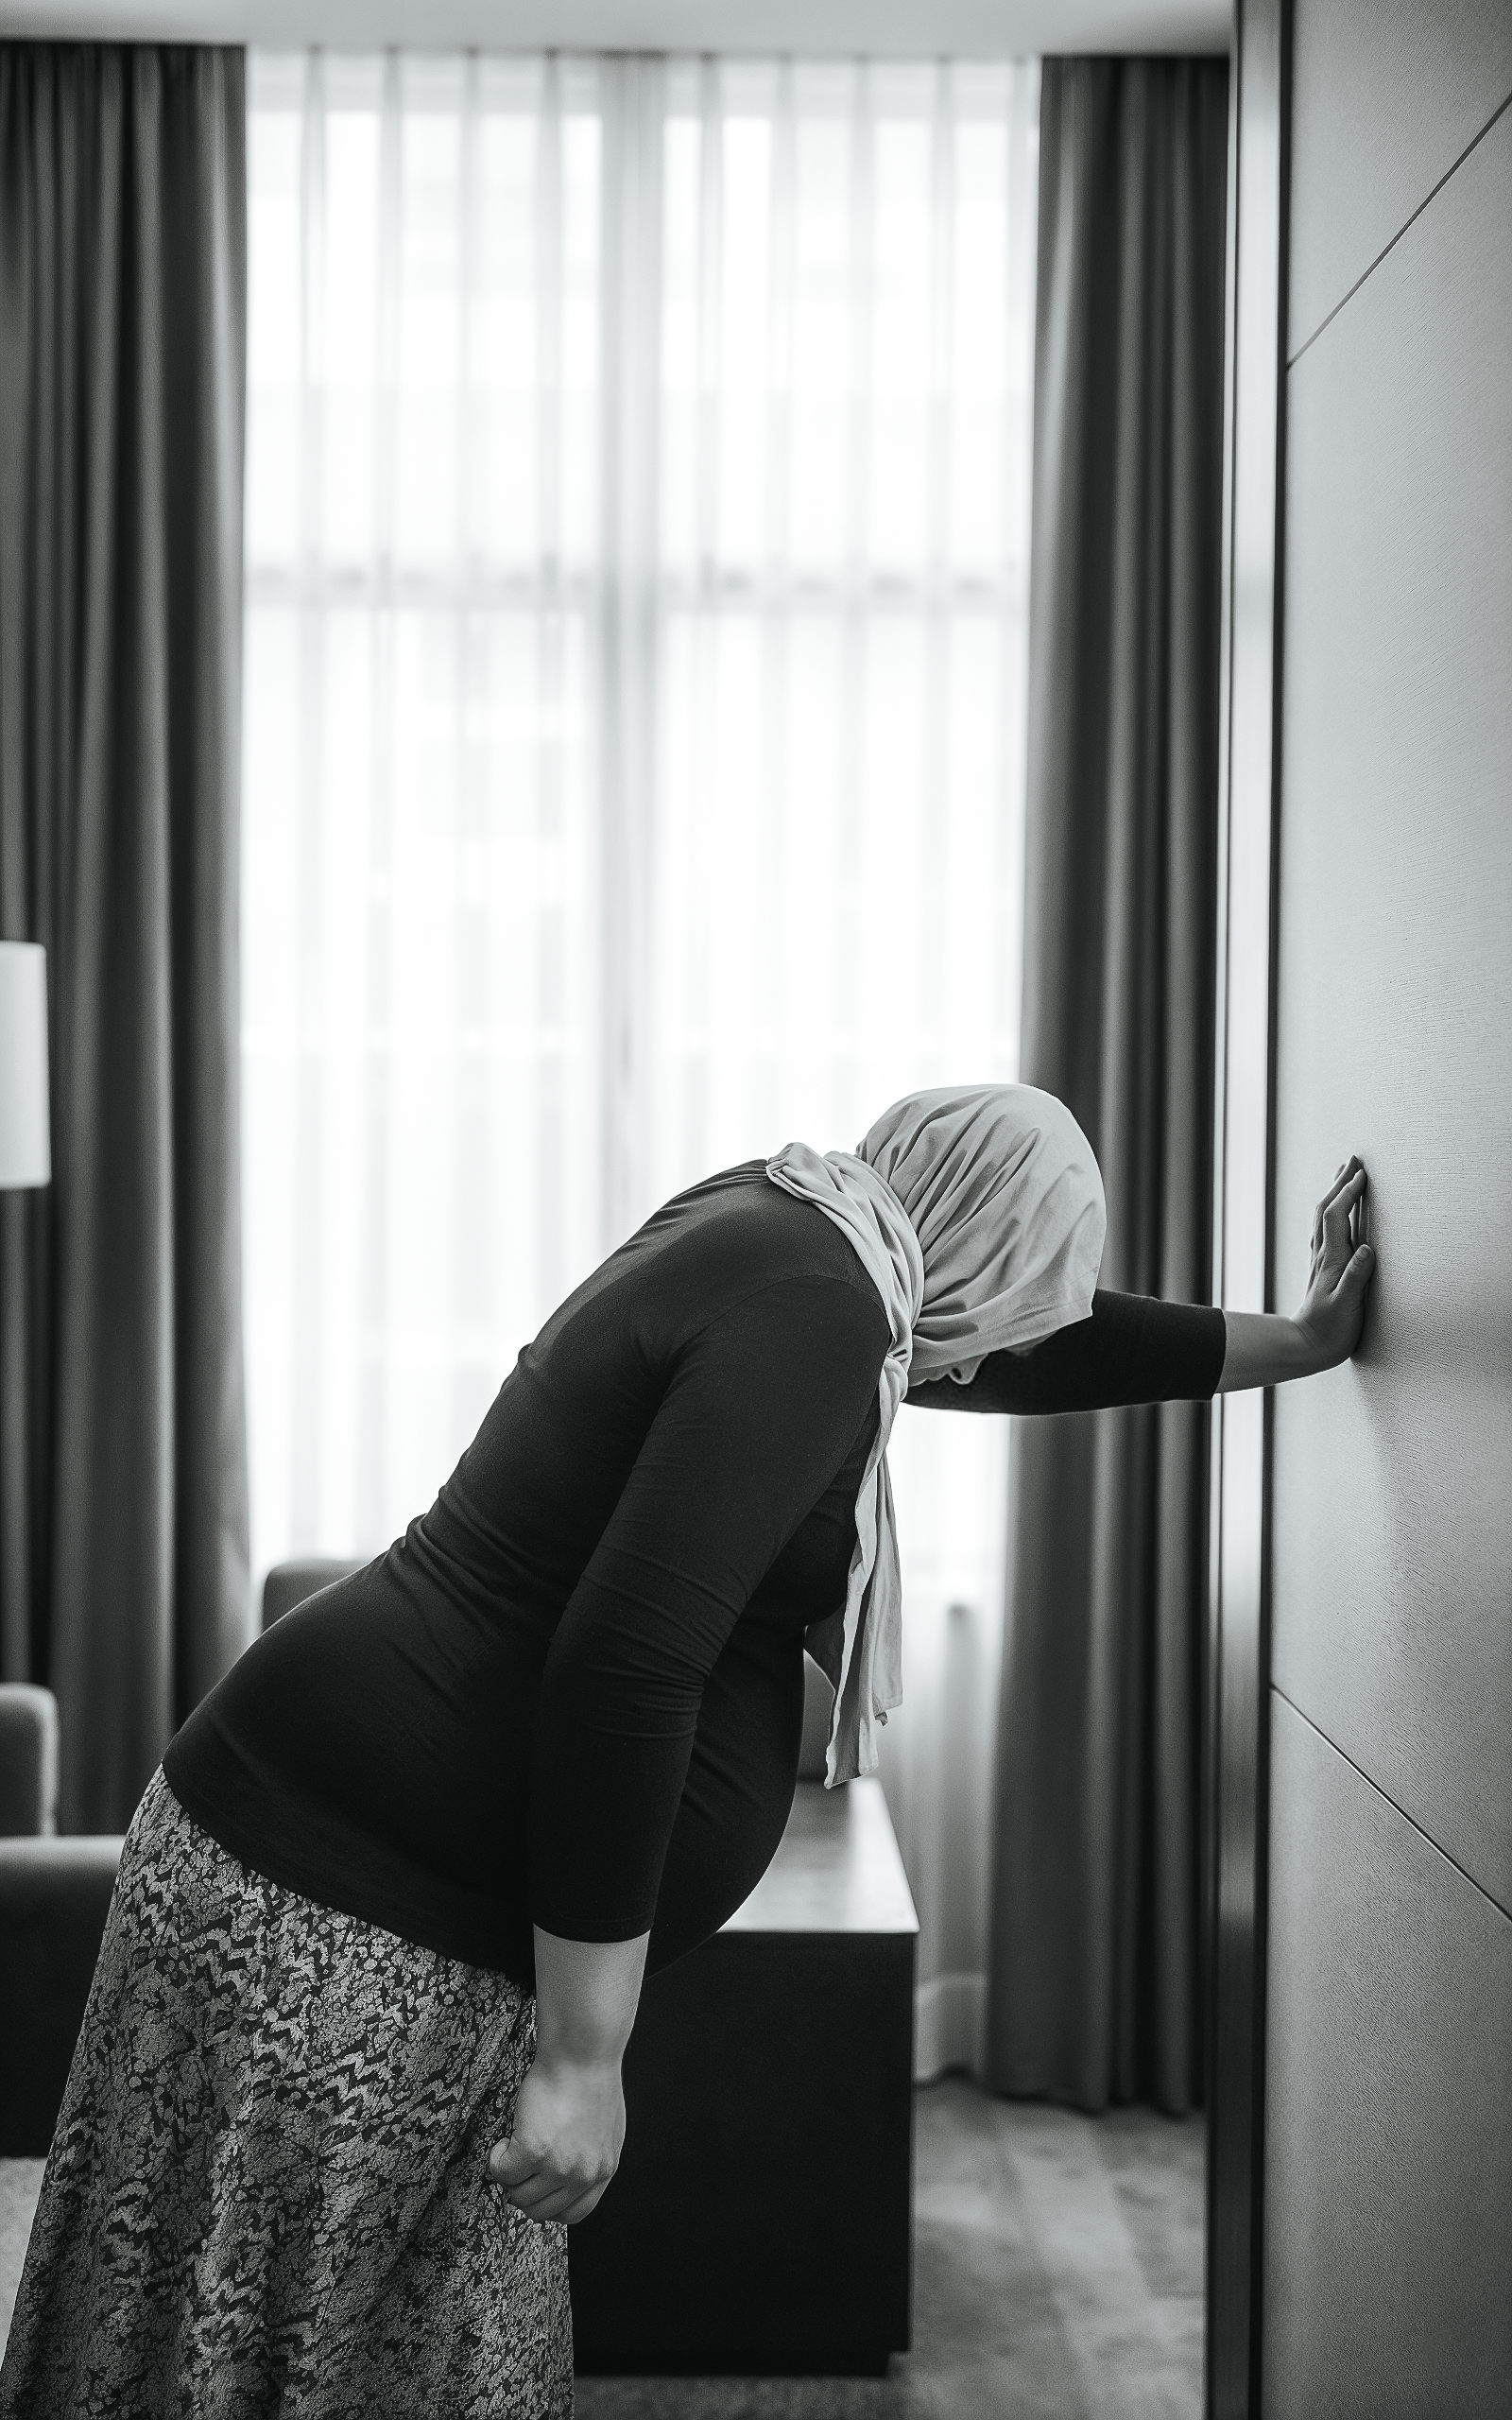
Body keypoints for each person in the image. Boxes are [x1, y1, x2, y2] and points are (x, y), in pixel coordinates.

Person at [0, 1086, 1374, 2418]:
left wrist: (1296, 1344)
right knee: (325, 2346)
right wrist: (587, 2061)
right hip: (323, 1906)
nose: (997, 1355)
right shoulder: (822, 1316)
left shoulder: (809, 1229)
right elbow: (627, 1666)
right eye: (1025, 1299)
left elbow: (1046, 1347)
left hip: (339, 1871)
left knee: (339, 2342)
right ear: (981, 1260)